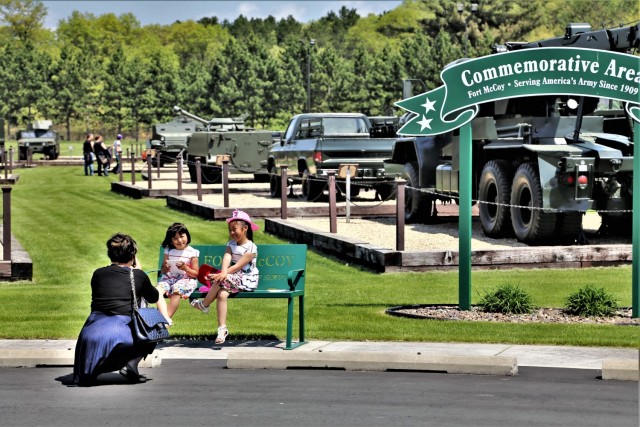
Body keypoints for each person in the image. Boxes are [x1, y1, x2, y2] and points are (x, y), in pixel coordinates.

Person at [73, 233, 171, 387]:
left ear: (110, 254)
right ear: (133, 255)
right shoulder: (138, 275)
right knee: (157, 328)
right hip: (121, 332)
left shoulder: (98, 273)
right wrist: (139, 271)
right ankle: (131, 364)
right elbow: (153, 297)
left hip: (91, 330)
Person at [191, 209, 259, 344]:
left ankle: (204, 304)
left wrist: (223, 274)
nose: (232, 233)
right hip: (231, 276)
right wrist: (222, 271)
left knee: (221, 279)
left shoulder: (251, 248)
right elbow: (227, 257)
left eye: (234, 229)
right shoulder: (231, 244)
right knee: (222, 295)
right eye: (230, 230)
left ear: (245, 228)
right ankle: (222, 329)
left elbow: (238, 266)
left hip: (245, 279)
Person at [158, 223, 199, 317]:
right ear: (171, 240)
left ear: (187, 236)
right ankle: (162, 316)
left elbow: (195, 274)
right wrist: (166, 268)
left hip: (186, 279)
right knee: (158, 291)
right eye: (175, 238)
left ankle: (166, 319)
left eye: (181, 236)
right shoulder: (168, 250)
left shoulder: (192, 252)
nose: (179, 240)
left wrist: (186, 268)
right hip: (170, 277)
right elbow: (163, 271)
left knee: (176, 291)